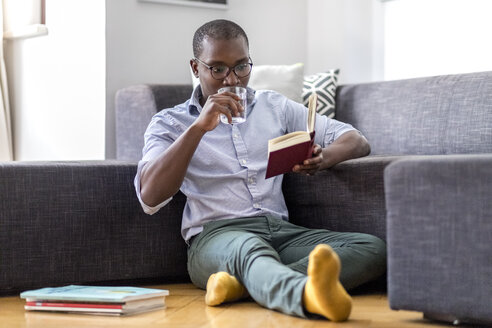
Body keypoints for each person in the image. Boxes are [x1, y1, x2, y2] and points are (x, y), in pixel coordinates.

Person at [135, 19, 386, 321]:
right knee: (249, 248)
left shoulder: (275, 107)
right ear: (195, 67)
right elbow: (149, 198)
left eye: (241, 67)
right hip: (216, 238)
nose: (232, 81)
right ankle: (305, 295)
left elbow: (356, 140)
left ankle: (243, 285)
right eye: (217, 69)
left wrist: (324, 157)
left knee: (371, 248)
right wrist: (199, 127)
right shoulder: (170, 122)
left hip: (280, 232)